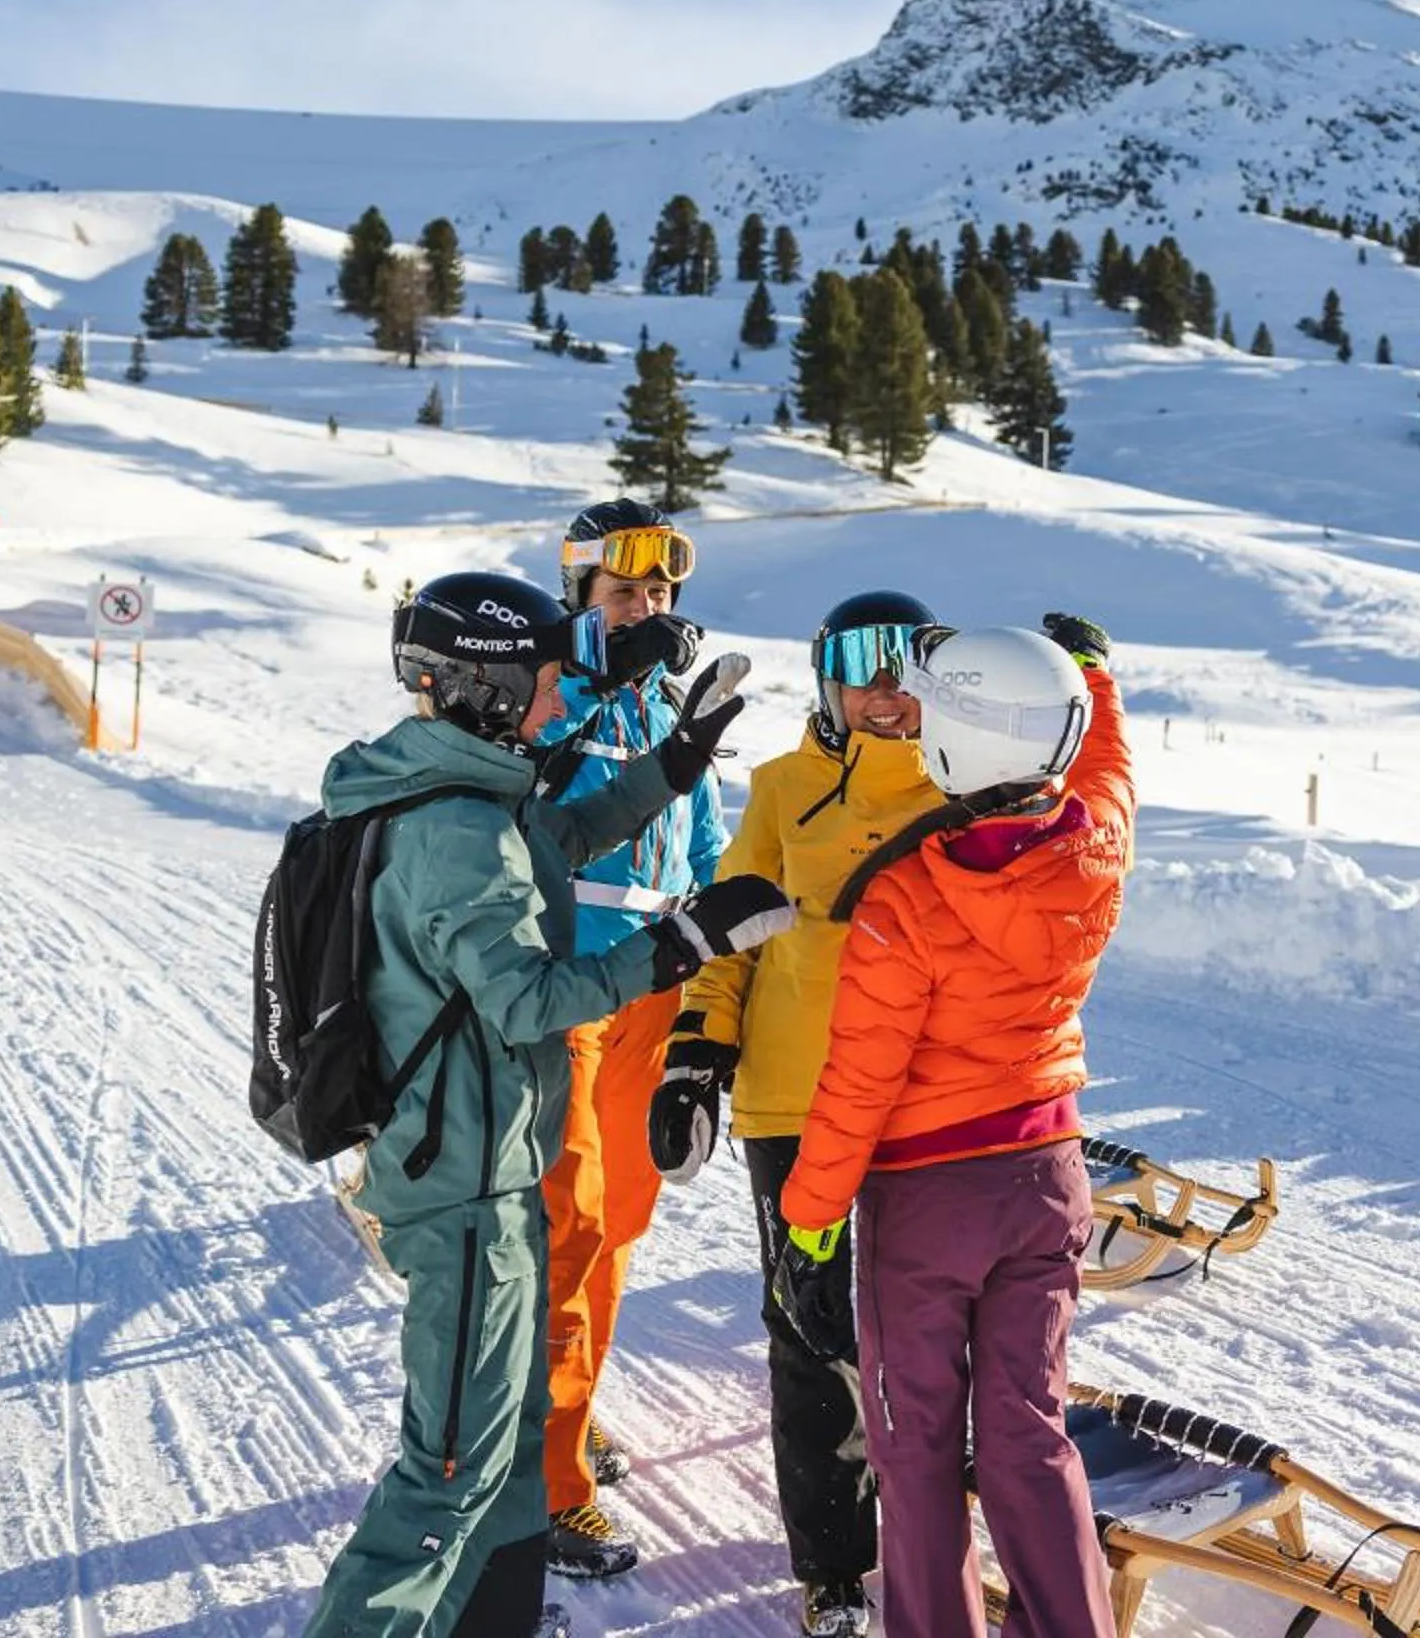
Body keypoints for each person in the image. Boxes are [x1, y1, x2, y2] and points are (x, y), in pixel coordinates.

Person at [302, 571, 792, 1638]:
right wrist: (682, 945)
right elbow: (527, 995)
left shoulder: (466, 794)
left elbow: (557, 840)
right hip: (467, 1188)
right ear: (485, 684)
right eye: (544, 681)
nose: (557, 700)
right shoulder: (456, 831)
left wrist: (677, 763)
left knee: (511, 1437)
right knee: (448, 1476)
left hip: (496, 1170)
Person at [772, 614, 1130, 1638]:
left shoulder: (906, 897)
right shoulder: (1094, 843)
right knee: (1030, 1430)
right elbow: (1108, 768)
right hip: (1046, 1177)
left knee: (916, 1444)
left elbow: (860, 1078)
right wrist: (1095, 680)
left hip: (928, 1201)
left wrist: (809, 1214)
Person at [649, 589, 946, 1638]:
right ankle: (834, 1567)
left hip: (928, 1107)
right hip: (794, 1101)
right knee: (812, 1329)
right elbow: (729, 931)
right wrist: (695, 1053)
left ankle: (934, 1532)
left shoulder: (967, 786)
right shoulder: (782, 788)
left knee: (926, 1328)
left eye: (909, 662)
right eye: (861, 663)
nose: (885, 687)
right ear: (825, 674)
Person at [531, 500, 730, 1581]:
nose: (648, 607)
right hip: (564, 987)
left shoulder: (670, 702)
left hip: (651, 988)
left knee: (623, 1222)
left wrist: (708, 1010)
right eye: (623, 590)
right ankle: (549, 1480)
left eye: (660, 591)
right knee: (572, 1218)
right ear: (580, 599)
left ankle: (566, 1416)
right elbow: (525, 785)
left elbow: (700, 846)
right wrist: (595, 676)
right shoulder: (551, 684)